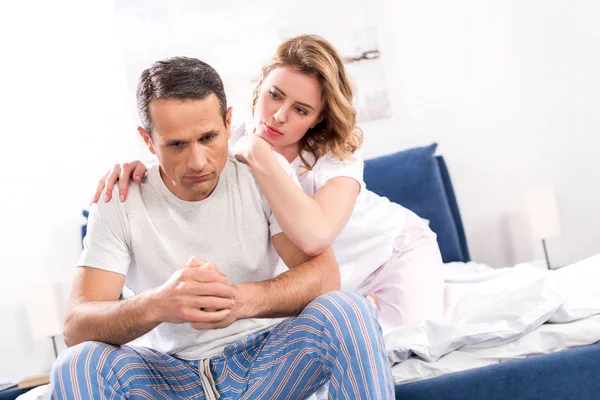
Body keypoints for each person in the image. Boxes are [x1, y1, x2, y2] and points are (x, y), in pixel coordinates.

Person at [52, 56, 394, 399]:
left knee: (348, 311)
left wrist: (241, 300)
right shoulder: (120, 199)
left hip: (264, 364)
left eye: (208, 137)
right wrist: (158, 305)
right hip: (166, 376)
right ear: (148, 140)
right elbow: (76, 325)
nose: (198, 161)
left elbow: (323, 276)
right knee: (76, 363)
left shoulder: (261, 174)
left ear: (229, 123)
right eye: (176, 144)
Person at [94, 34, 445, 335]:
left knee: (409, 346)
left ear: (319, 117)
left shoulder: (336, 160)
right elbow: (181, 155)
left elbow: (314, 237)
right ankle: (363, 308)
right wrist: (140, 167)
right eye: (275, 95)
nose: (278, 115)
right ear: (261, 82)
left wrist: (259, 154)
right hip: (333, 284)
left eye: (301, 110)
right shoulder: (228, 137)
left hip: (392, 254)